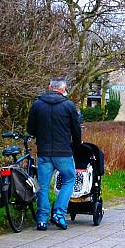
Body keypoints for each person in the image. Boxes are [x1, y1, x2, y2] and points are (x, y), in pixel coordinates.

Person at [27, 77, 81, 231]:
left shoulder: (37, 105)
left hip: (44, 152)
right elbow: (76, 130)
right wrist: (76, 146)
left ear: (49, 88)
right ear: (63, 90)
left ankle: (42, 219)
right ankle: (58, 213)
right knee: (69, 179)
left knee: (43, 185)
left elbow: (30, 129)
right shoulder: (69, 106)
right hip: (63, 152)